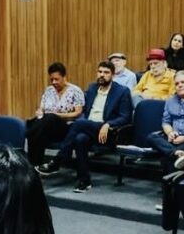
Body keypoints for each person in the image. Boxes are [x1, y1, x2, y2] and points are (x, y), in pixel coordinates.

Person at [39, 60, 134, 189]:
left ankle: (58, 161)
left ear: (113, 75)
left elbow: (125, 117)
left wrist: (107, 124)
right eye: (100, 71)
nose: (102, 75)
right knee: (79, 139)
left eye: (106, 72)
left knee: (79, 123)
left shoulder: (122, 91)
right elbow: (84, 111)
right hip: (88, 128)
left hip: (108, 132)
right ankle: (85, 180)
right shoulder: (92, 88)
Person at [26, 62, 84, 164]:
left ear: (64, 77)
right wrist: (39, 112)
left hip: (64, 127)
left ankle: (29, 133)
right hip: (46, 126)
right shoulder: (49, 90)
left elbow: (78, 113)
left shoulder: (75, 91)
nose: (53, 82)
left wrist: (58, 115)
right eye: (51, 79)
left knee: (47, 120)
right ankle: (35, 167)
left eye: (56, 79)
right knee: (38, 132)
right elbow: (41, 109)